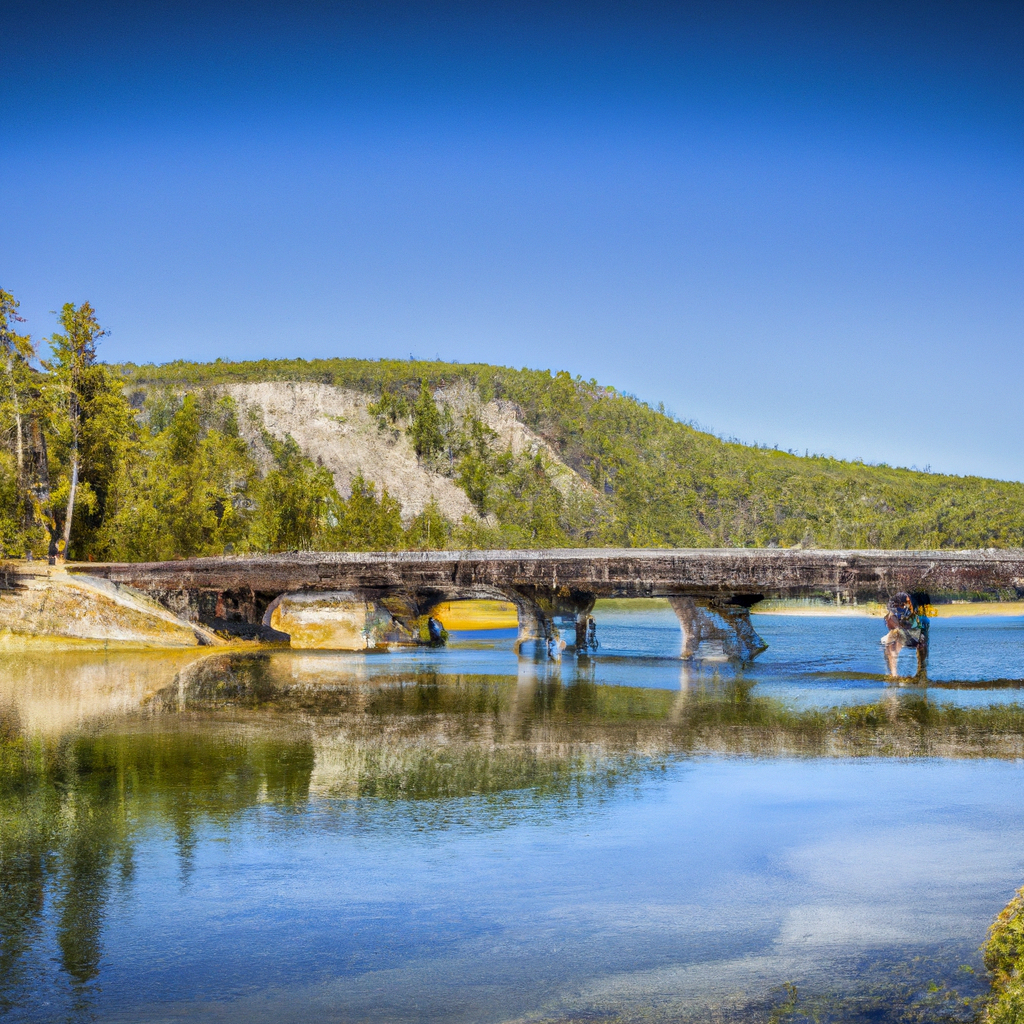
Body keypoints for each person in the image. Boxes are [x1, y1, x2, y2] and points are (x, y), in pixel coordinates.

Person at [880, 592, 929, 678]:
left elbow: (913, 625)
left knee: (922, 642)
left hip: (911, 632)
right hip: (898, 634)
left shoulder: (912, 611)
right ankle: (894, 674)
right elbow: (891, 624)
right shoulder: (891, 615)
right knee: (891, 641)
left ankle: (921, 672)